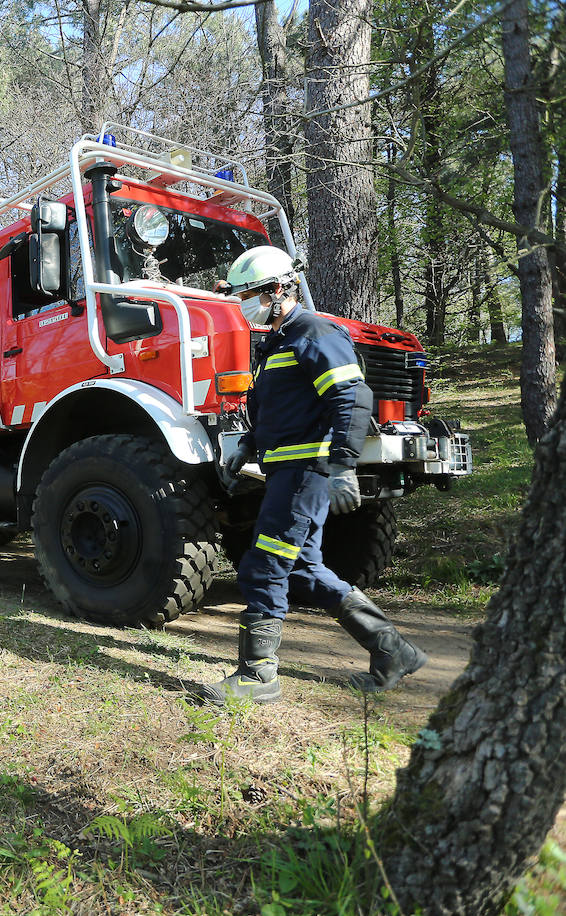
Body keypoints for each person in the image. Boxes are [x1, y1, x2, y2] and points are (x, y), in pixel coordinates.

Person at [192, 246, 426, 705]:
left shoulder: (315, 332)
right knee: (303, 570)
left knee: (264, 565)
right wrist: (248, 444)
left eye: (246, 294)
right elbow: (278, 411)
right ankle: (393, 650)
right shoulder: (275, 344)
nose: (241, 304)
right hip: (286, 470)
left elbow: (352, 400)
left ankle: (258, 676)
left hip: (308, 471)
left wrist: (342, 466)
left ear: (278, 290)